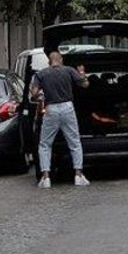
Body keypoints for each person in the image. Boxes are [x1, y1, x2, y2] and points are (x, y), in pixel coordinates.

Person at [30, 50, 90, 188]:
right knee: (74, 142)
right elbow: (85, 84)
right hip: (67, 107)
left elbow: (34, 93)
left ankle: (46, 178)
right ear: (61, 59)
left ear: (49, 61)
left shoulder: (41, 74)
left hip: (51, 109)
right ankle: (78, 175)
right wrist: (81, 73)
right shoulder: (69, 70)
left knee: (45, 144)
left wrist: (39, 96)